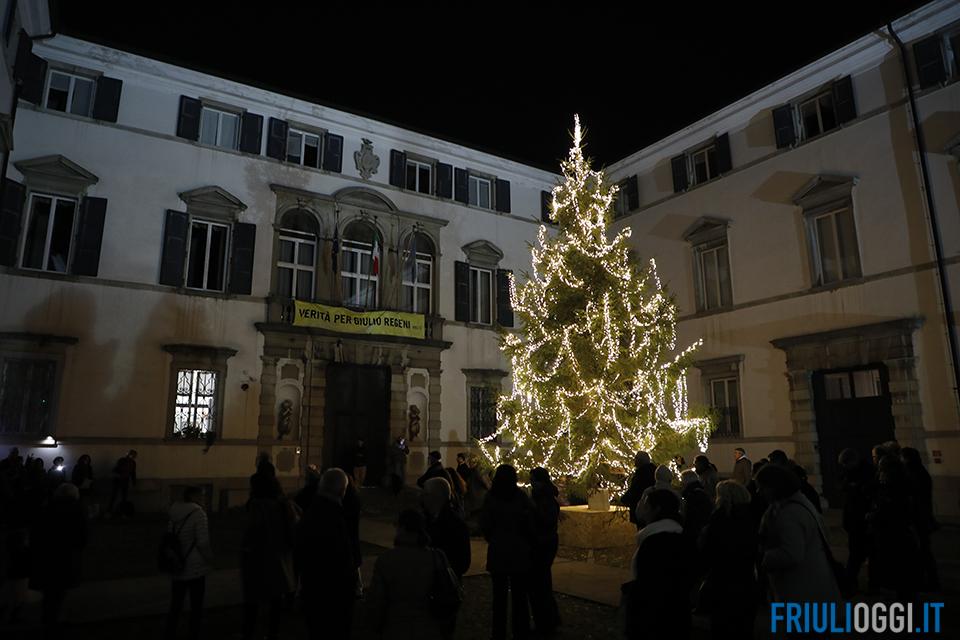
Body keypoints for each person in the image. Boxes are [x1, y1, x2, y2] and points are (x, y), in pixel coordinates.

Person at [756, 464, 841, 603]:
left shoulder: (789, 513)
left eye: (762, 487)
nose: (759, 492)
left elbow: (791, 553)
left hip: (800, 588)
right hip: (809, 583)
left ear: (774, 487)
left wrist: (764, 557)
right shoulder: (799, 503)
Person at [366, 509, 446, 640]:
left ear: (402, 528)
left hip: (396, 627)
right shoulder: (436, 558)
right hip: (428, 627)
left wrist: (376, 626)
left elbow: (376, 601)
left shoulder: (386, 560)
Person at [624, 490, 693, 639]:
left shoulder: (655, 542)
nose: (641, 508)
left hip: (654, 617)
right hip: (677, 614)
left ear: (656, 509)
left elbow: (648, 583)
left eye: (646, 505)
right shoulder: (681, 536)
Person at [296, 468, 356, 639]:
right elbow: (342, 559)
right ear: (342, 491)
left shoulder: (312, 512)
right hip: (332, 592)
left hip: (313, 589)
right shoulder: (334, 517)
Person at [480, 464, 536, 640]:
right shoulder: (520, 497)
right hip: (519, 550)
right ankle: (521, 630)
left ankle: (498, 632)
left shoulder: (491, 497)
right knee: (520, 595)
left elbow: (485, 524)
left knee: (499, 597)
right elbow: (530, 522)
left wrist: (494, 537)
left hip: (499, 549)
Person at [698, 480, 758, 638]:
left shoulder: (719, 519)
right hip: (746, 580)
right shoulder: (752, 517)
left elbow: (709, 552)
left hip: (722, 582)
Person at [241, 473, 296, 640]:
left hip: (259, 558)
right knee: (275, 600)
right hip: (279, 557)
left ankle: (249, 633)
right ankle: (272, 633)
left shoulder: (258, 506)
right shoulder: (283, 504)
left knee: (253, 600)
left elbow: (251, 531)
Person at [29, 483, 87, 640]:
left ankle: (49, 621)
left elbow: (35, 532)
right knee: (58, 593)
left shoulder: (47, 508)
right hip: (65, 557)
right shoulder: (77, 510)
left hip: (45, 557)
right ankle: (52, 624)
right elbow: (82, 537)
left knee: (50, 593)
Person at [867, 454, 920, 599]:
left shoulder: (892, 488)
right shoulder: (903, 483)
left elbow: (889, 509)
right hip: (899, 530)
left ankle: (902, 595)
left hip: (892, 531)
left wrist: (875, 515)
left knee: (897, 564)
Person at [164, 485, 213, 640]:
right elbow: (202, 542)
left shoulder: (174, 512)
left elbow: (170, 536)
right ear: (194, 497)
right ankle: (194, 633)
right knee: (196, 605)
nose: (204, 499)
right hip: (195, 565)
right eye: (202, 496)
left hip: (177, 562)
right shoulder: (199, 514)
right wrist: (210, 559)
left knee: (176, 603)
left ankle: (170, 631)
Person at [528, 467, 561, 637]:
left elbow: (545, 520)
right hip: (544, 541)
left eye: (533, 480)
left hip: (543, 542)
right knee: (542, 582)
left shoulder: (544, 499)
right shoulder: (543, 496)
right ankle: (549, 619)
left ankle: (546, 621)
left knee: (540, 584)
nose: (531, 483)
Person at [901, 447, 939, 591]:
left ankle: (929, 581)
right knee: (923, 550)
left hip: (918, 517)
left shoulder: (914, 474)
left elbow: (914, 497)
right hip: (921, 516)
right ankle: (929, 580)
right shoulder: (919, 472)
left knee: (922, 551)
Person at [837, 448, 873, 590]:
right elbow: (842, 487)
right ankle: (853, 582)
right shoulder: (849, 472)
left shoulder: (866, 472)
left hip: (862, 518)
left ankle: (856, 582)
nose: (844, 467)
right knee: (856, 553)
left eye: (845, 464)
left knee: (860, 553)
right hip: (854, 519)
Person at [620, 451, 657, 529]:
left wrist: (623, 499)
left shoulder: (641, 474)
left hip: (641, 508)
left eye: (636, 458)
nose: (634, 461)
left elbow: (635, 490)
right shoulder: (653, 472)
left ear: (640, 461)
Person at [679, 469, 712, 553]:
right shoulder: (701, 493)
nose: (681, 484)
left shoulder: (692, 496)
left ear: (686, 482)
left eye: (682, 481)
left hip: (694, 534)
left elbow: (690, 518)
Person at [109, 449, 137, 515]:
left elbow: (133, 473)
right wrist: (120, 475)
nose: (133, 457)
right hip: (118, 480)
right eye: (132, 455)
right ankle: (109, 511)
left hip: (125, 480)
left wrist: (134, 482)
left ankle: (122, 512)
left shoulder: (133, 462)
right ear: (129, 454)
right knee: (114, 496)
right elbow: (116, 469)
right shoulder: (122, 460)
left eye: (134, 455)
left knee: (124, 497)